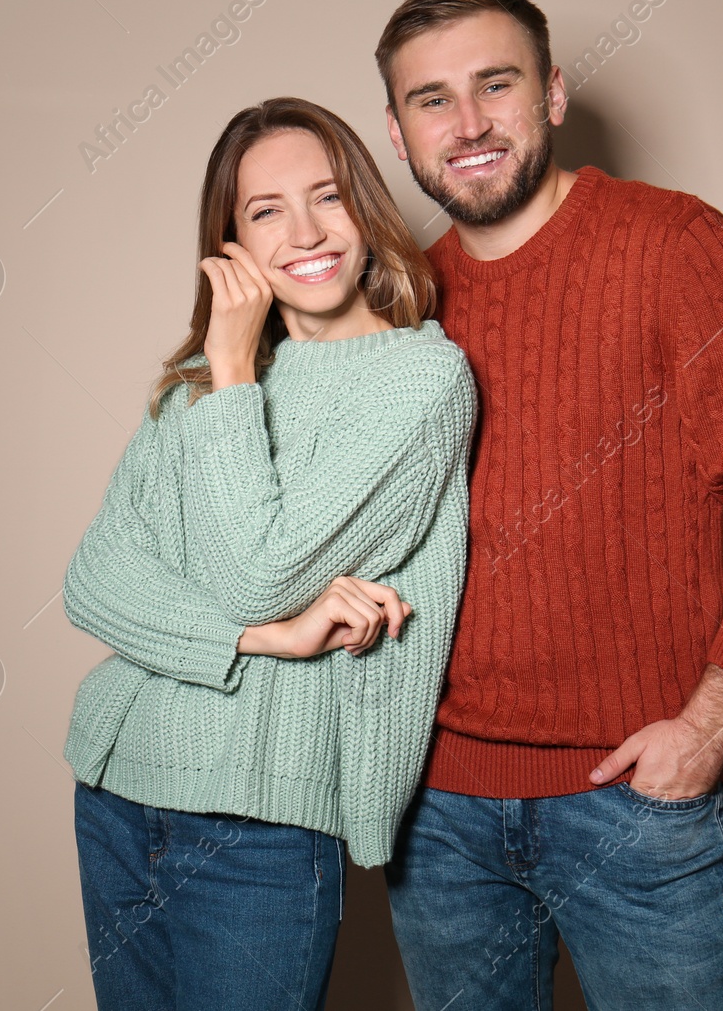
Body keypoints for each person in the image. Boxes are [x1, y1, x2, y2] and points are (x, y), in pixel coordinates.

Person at [371, 0, 723, 1010]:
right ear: (396, 129)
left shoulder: (672, 246)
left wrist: (709, 719)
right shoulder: (401, 299)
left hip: (635, 808)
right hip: (437, 812)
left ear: (551, 93)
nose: (466, 125)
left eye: (494, 85)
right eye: (431, 100)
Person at [60, 96, 477, 1010]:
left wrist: (237, 370)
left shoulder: (419, 378)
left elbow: (258, 570)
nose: (306, 231)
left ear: (367, 209)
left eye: (328, 196)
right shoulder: (198, 379)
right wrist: (260, 640)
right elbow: (94, 581)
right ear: (231, 245)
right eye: (266, 210)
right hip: (115, 789)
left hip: (261, 821)